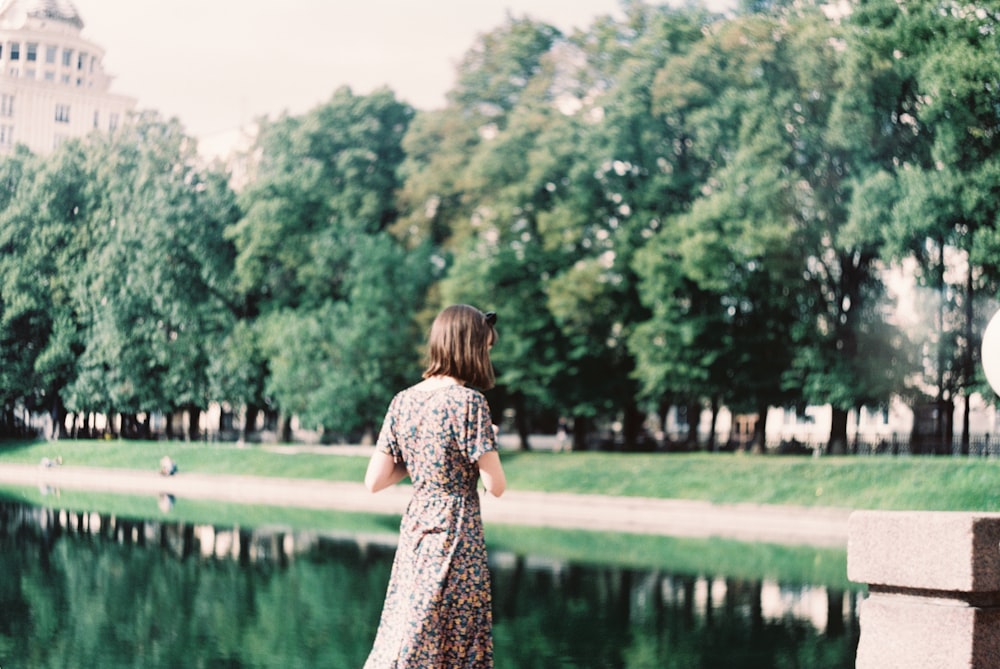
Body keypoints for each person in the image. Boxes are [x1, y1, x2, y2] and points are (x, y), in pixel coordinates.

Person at [363, 304, 506, 669]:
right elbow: (496, 485)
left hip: (417, 531)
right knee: (454, 636)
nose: (488, 356)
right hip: (457, 533)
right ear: (469, 347)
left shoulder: (403, 401)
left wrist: (424, 459)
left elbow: (375, 480)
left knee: (410, 625)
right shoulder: (470, 403)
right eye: (485, 348)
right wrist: (488, 442)